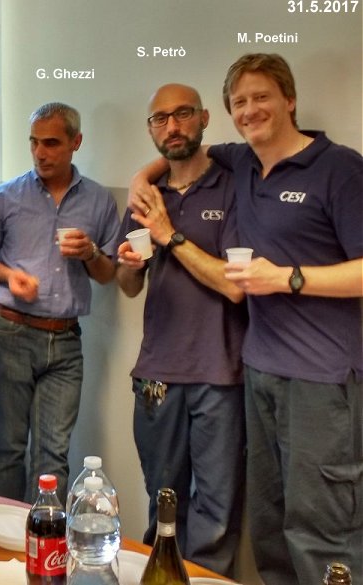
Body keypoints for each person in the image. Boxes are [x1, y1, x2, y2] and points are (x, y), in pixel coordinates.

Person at [130, 54, 362, 585]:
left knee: (322, 533)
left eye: (262, 97)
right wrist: (141, 176)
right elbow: (181, 150)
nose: (251, 110)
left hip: (323, 380)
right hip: (258, 371)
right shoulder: (242, 162)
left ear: (290, 100)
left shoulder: (340, 168)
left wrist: (287, 278)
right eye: (240, 101)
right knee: (270, 529)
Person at [116, 84, 246, 577]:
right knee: (164, 503)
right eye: (160, 118)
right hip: (157, 375)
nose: (172, 126)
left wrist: (169, 235)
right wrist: (130, 265)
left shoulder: (234, 186)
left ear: (204, 118)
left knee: (216, 514)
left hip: (220, 373)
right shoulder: (145, 196)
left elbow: (234, 287)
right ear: (151, 128)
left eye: (183, 114)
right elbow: (129, 286)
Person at [0, 102, 120, 503]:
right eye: (34, 142)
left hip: (66, 341)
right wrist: (8, 276)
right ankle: (0, 537)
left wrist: (90, 252)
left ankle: (44, 534)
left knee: (53, 455)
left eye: (51, 143)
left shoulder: (99, 201)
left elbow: (108, 274)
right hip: (10, 332)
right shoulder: (5, 196)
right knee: (8, 447)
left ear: (76, 142)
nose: (40, 152)